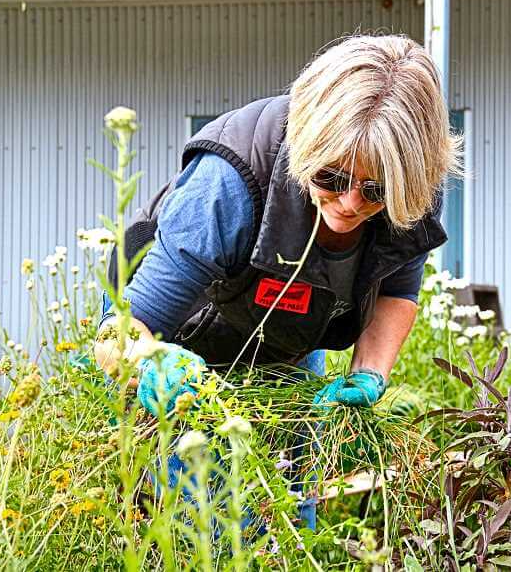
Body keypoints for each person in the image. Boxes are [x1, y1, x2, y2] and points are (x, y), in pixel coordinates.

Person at [94, 34, 460, 532]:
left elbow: (397, 289)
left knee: (284, 515)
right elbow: (122, 332)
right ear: (307, 145)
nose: (350, 203)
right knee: (205, 527)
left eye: (374, 190)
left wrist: (370, 374)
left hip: (287, 342)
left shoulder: (408, 185)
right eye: (332, 177)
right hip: (178, 339)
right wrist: (152, 363)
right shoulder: (230, 182)